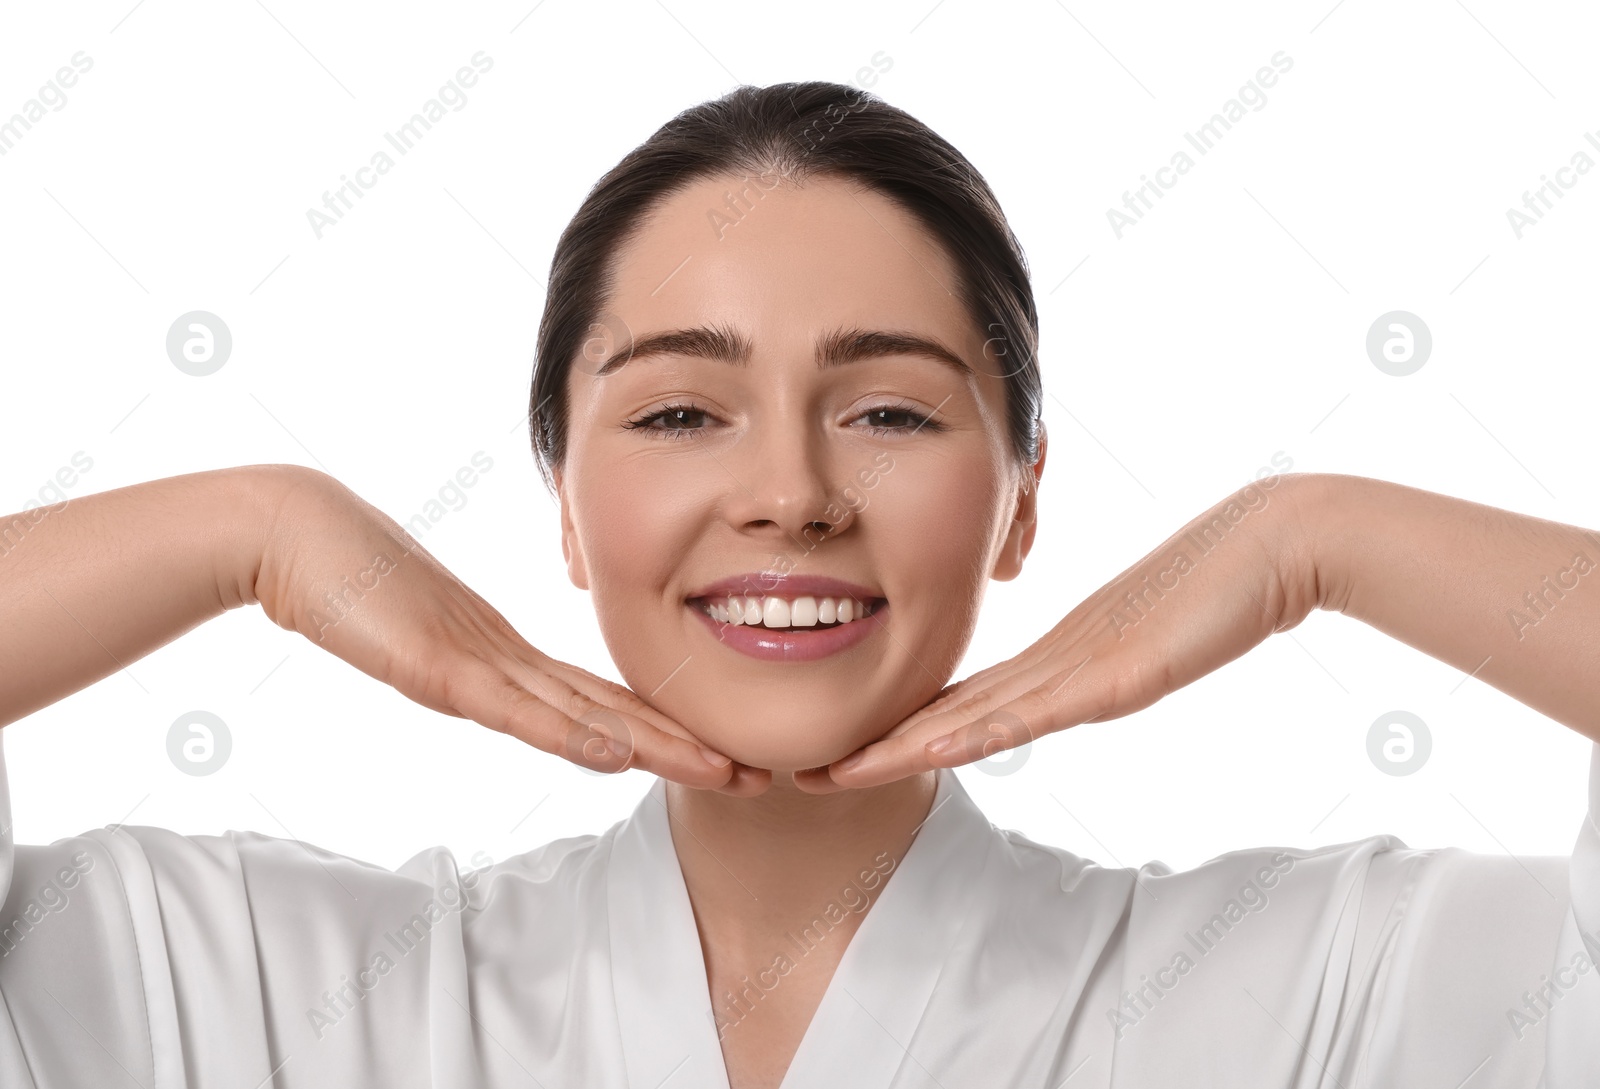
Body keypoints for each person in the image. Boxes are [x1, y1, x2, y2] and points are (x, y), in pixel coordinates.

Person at [1, 80, 1597, 1089]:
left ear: (1020, 501)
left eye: (891, 410)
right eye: (682, 411)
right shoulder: (261, 984)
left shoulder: (1322, 985)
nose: (790, 494)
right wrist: (246, 527)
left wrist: (1321, 534)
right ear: (564, 503)